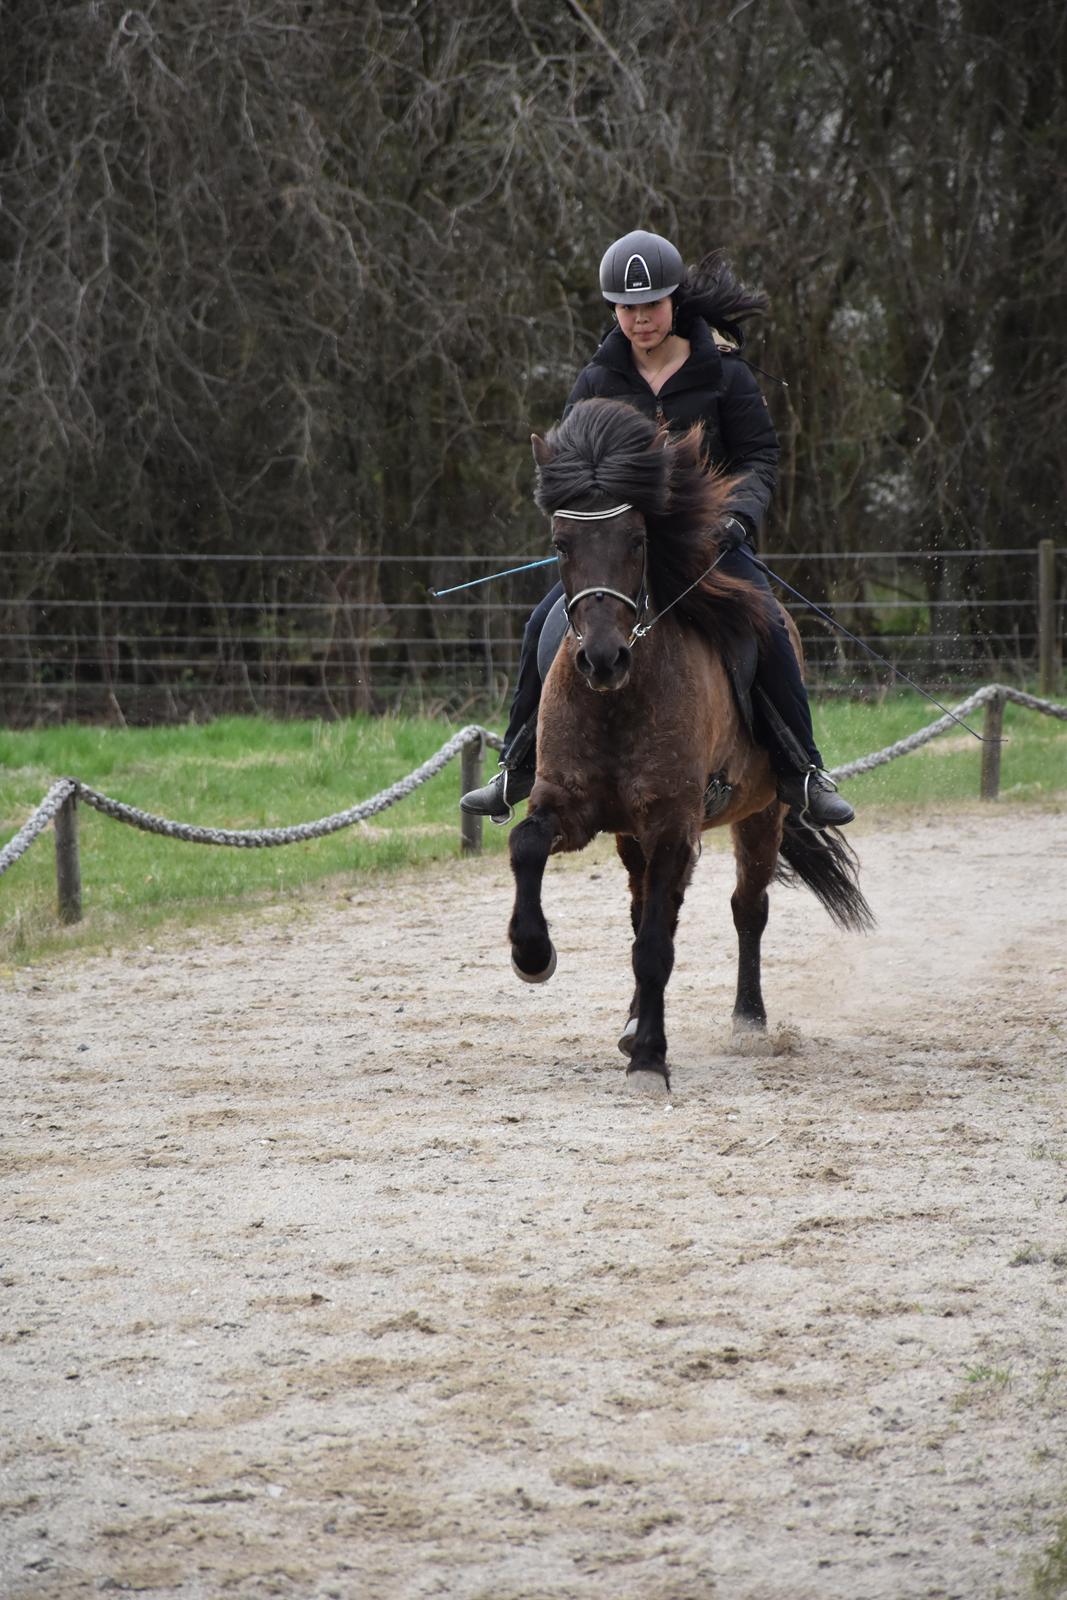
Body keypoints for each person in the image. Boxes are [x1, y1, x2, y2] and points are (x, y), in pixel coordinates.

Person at [460, 228, 854, 830]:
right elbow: (570, 468)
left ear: (672, 304)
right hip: (623, 554)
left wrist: (738, 517)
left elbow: (759, 459)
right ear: (614, 310)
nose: (640, 319)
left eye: (650, 305)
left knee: (769, 625)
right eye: (627, 308)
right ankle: (516, 764)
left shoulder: (726, 375)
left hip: (709, 545)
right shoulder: (597, 380)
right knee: (542, 623)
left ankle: (803, 771)